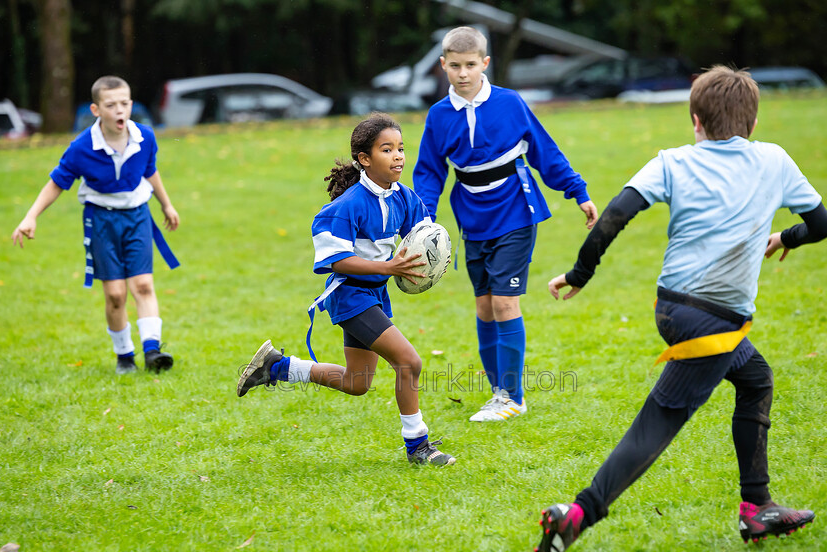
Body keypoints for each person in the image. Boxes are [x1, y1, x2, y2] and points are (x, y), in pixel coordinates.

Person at [536, 66, 825, 551]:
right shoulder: (774, 160)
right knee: (658, 425)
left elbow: (613, 216)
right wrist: (788, 236)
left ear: (695, 119)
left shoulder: (672, 161)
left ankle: (757, 508)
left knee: (756, 379)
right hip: (713, 324)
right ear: (753, 124)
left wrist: (580, 273)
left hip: (672, 309)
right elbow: (819, 223)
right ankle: (578, 515)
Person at [236, 113, 455, 467]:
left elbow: (426, 236)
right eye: (387, 149)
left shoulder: (405, 198)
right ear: (364, 159)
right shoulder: (345, 207)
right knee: (408, 362)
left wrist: (429, 261)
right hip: (350, 294)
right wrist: (388, 267)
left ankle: (277, 367)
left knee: (357, 382)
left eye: (401, 148)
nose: (398, 156)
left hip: (375, 294)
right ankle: (419, 448)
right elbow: (336, 260)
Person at [412, 26, 598, 422]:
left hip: (515, 210)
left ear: (485, 64)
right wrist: (424, 217)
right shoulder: (439, 115)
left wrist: (577, 192)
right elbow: (429, 171)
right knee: (483, 306)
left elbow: (545, 152)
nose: (463, 73)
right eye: (455, 66)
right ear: (443, 65)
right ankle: (499, 393)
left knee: (503, 301)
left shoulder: (510, 104)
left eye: (471, 65)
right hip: (471, 216)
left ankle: (514, 397)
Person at [11, 75, 180, 375]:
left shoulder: (144, 137)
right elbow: (57, 183)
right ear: (96, 109)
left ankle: (152, 351)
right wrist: (30, 216)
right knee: (115, 295)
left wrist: (166, 204)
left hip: (138, 216)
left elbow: (150, 171)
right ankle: (124, 355)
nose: (120, 111)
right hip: (101, 220)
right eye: (111, 105)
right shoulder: (81, 147)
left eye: (125, 104)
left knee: (142, 284)